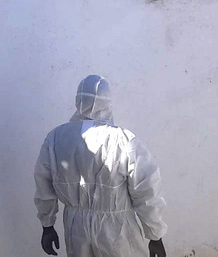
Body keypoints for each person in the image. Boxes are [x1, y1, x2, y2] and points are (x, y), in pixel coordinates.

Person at [34, 75, 168, 257]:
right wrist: (155, 234)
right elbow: (146, 190)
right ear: (108, 103)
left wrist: (47, 225)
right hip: (117, 229)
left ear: (77, 100)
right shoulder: (124, 140)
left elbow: (43, 185)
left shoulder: (56, 138)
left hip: (76, 228)